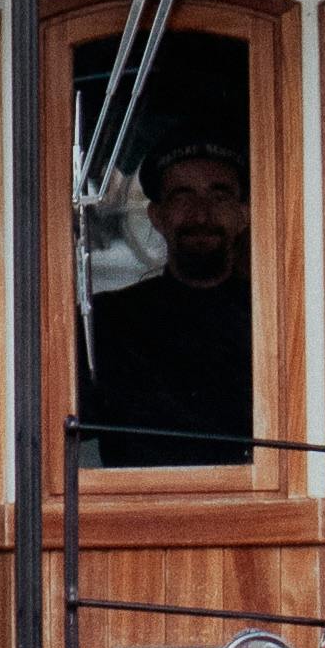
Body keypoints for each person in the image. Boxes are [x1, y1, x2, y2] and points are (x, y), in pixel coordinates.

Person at [79, 130, 255, 468]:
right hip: (143, 514)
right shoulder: (106, 324)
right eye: (182, 197)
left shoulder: (277, 320)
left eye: (218, 197)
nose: (201, 215)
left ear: (242, 215)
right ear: (156, 217)